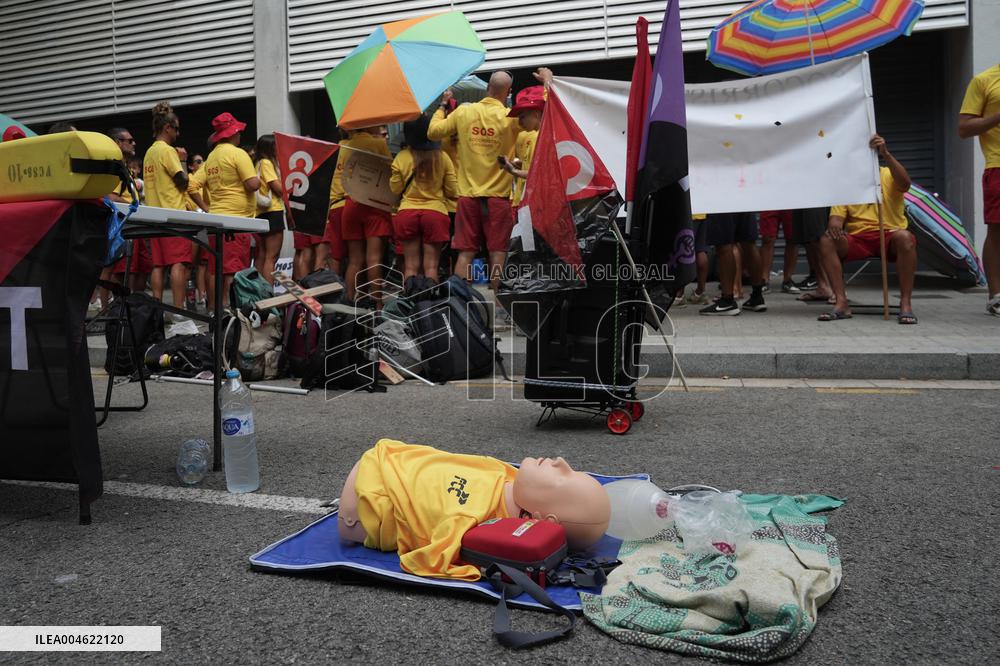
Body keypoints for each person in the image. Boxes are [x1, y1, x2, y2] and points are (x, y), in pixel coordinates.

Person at [338, 439, 611, 579]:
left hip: (364, 503)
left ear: (544, 520)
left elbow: (428, 558)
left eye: (564, 478)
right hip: (381, 462)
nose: (561, 461)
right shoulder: (512, 478)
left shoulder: (473, 521)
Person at [428, 68, 553, 289]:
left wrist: (442, 106)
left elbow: (433, 132)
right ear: (509, 93)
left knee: (465, 252)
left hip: (468, 196)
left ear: (487, 88)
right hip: (499, 198)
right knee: (498, 252)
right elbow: (542, 115)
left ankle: (459, 302)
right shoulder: (510, 117)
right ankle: (498, 303)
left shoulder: (463, 112)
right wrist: (547, 85)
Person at [816, 135, 916, 323]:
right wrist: (834, 224)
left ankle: (905, 304)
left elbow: (905, 184)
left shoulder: (887, 174)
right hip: (859, 238)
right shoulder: (847, 182)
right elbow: (836, 218)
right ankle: (841, 302)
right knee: (826, 240)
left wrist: (886, 154)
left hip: (889, 235)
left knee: (905, 237)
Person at [187, 112, 260, 309]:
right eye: (238, 131)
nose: (240, 135)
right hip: (237, 222)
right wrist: (259, 178)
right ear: (233, 133)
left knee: (215, 268)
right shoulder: (238, 154)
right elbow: (252, 184)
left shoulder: (211, 158)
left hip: (216, 220)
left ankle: (215, 310)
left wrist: (207, 209)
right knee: (233, 270)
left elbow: (191, 186)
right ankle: (233, 311)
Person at [389, 116, 458, 283]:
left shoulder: (401, 157)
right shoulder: (442, 157)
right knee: (431, 267)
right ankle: (430, 298)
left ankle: (411, 298)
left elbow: (395, 189)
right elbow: (453, 190)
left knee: (410, 266)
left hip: (407, 213)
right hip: (435, 213)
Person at [958, 64, 1000, 316]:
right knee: (997, 231)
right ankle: (996, 296)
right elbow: (964, 129)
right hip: (998, 164)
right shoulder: (984, 80)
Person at [144, 102, 191, 314]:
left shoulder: (149, 152)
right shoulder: (167, 151)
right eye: (176, 129)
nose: (178, 134)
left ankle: (157, 312)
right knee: (179, 263)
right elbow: (183, 182)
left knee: (158, 265)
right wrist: (183, 161)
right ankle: (179, 312)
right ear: (167, 128)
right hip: (173, 215)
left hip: (155, 215)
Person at [339, 126, 393, 305]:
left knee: (355, 260)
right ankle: (377, 304)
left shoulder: (345, 146)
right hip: (374, 203)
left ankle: (350, 302)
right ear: (369, 124)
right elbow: (390, 170)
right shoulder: (378, 144)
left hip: (351, 203)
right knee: (374, 258)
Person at [107, 127, 151, 294]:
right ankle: (113, 305)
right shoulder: (114, 167)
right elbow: (111, 197)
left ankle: (134, 303)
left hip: (133, 224)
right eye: (130, 141)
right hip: (122, 225)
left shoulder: (125, 167)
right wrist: (133, 205)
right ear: (118, 143)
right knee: (120, 269)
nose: (134, 143)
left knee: (142, 267)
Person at [699, 212, 766, 315]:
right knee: (749, 243)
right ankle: (757, 296)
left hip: (721, 204)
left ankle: (727, 300)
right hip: (744, 204)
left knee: (723, 244)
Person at [500, 85, 545, 208]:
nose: (519, 122)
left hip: (536, 204)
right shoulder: (538, 135)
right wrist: (518, 165)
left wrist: (514, 171)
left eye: (522, 117)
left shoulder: (541, 138)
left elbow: (540, 175)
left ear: (536, 114)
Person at [253, 134, 285, 283]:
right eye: (276, 145)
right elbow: (278, 188)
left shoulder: (258, 163)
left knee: (262, 254)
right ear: (270, 147)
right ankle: (268, 292)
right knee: (271, 257)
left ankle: (259, 290)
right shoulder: (266, 163)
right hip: (273, 211)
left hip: (261, 213)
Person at [186, 153, 209, 308]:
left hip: (205, 224)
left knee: (203, 263)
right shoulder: (188, 180)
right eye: (198, 161)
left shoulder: (205, 179)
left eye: (203, 161)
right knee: (189, 264)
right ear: (190, 166)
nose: (201, 164)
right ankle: (187, 299)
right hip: (192, 224)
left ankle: (202, 296)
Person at [758, 210, 799, 293]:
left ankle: (787, 280)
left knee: (793, 239)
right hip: (770, 203)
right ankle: (764, 280)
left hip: (792, 205)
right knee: (768, 238)